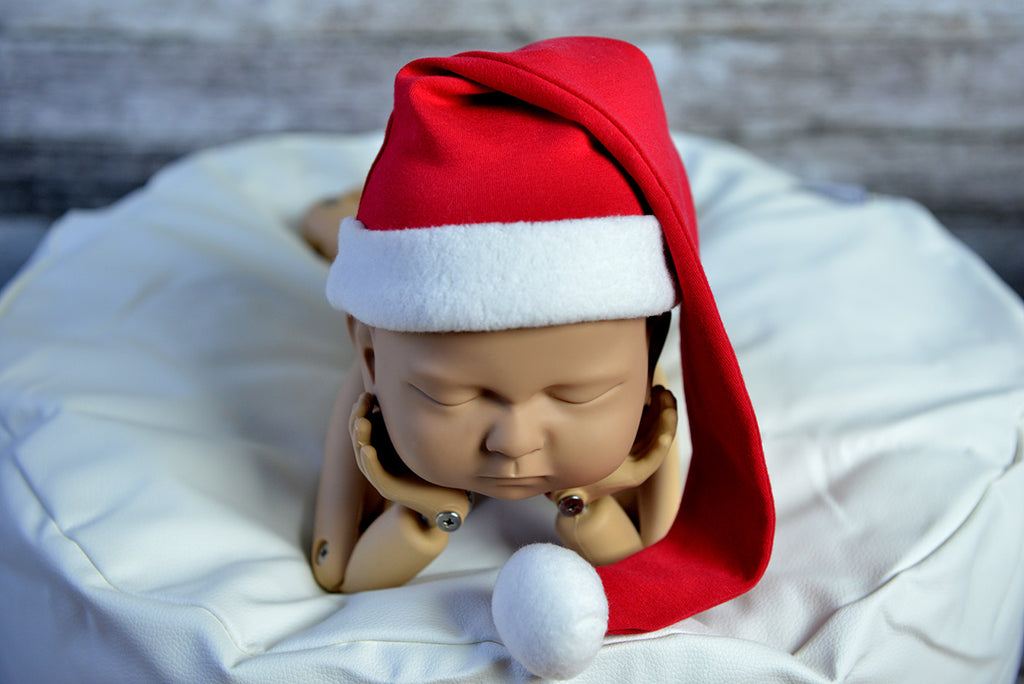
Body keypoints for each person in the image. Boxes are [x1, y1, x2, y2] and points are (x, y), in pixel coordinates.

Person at [304, 36, 774, 676]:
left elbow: (656, 554)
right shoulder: (363, 393)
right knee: (339, 240)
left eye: (576, 395)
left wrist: (588, 505)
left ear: (647, 356)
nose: (513, 442)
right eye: (450, 395)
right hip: (396, 272)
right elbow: (340, 573)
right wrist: (426, 512)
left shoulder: (652, 400)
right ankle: (336, 219)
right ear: (368, 354)